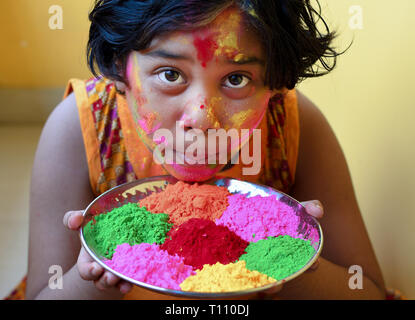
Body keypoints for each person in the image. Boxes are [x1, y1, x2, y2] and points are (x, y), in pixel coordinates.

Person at [6, 0, 388, 300]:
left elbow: (367, 290)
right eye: (170, 74)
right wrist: (93, 278)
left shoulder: (293, 125)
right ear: (119, 69)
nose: (201, 118)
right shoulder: (81, 128)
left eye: (236, 79)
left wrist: (293, 266)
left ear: (275, 84)